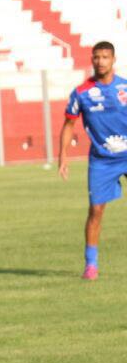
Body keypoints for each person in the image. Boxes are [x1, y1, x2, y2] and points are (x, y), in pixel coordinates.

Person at [58, 40, 127, 280]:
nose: (100, 61)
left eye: (105, 57)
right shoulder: (82, 93)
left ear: (113, 60)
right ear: (92, 60)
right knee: (96, 211)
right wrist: (63, 156)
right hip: (102, 160)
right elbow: (69, 124)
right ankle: (91, 265)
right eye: (96, 57)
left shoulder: (125, 89)